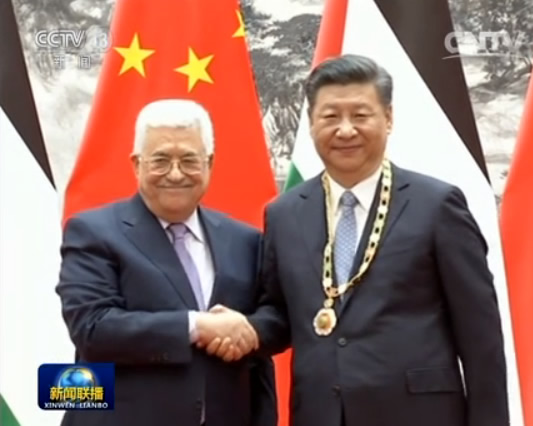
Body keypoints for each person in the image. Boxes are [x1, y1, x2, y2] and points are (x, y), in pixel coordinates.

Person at [201, 55, 509, 426]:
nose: (345, 130)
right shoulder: (284, 213)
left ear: (388, 118)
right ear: (311, 123)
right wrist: (248, 330)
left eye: (360, 115)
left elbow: (481, 338)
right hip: (320, 414)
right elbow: (281, 312)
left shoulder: (436, 206)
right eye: (330, 116)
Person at [56, 99, 277, 426]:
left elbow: (273, 319)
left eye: (189, 160)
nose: (175, 173)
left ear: (209, 163)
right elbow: (93, 328)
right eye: (160, 160)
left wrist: (249, 331)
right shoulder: (92, 232)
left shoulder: (246, 240)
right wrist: (197, 326)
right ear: (137, 164)